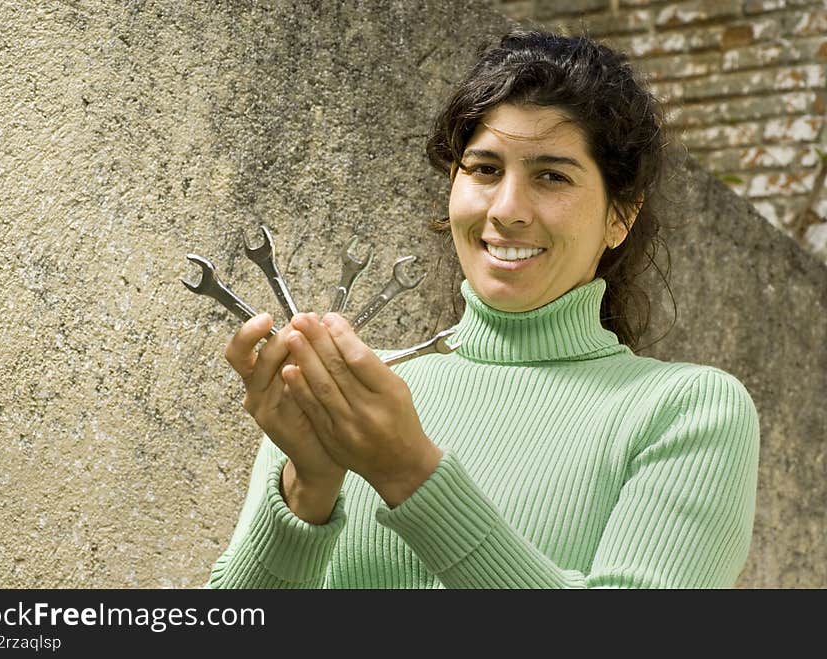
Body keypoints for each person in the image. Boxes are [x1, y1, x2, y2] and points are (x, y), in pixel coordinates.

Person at [206, 29, 760, 589]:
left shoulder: (687, 411)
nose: (508, 209)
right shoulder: (342, 394)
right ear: (452, 186)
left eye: (551, 176)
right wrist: (308, 488)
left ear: (621, 216)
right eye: (485, 169)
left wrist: (410, 472)